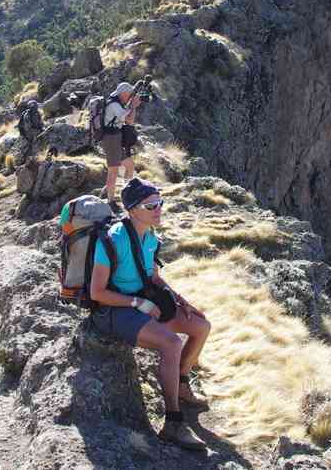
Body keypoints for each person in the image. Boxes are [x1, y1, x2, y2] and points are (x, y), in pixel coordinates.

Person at [89, 178, 212, 451]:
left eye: (160, 203)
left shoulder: (150, 237)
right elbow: (97, 292)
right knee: (172, 343)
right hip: (113, 310)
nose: (158, 209)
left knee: (201, 326)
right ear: (133, 209)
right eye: (151, 205)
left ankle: (180, 382)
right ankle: (173, 422)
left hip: (141, 301)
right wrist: (137, 304)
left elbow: (153, 277)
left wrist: (183, 302)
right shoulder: (112, 240)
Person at [101, 82, 140, 210]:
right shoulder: (113, 105)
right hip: (111, 139)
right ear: (123, 93)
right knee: (113, 171)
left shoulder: (118, 103)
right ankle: (110, 201)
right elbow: (129, 120)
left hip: (116, 138)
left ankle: (126, 194)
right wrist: (133, 106)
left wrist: (131, 106)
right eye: (128, 95)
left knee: (130, 165)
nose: (129, 97)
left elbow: (127, 118)